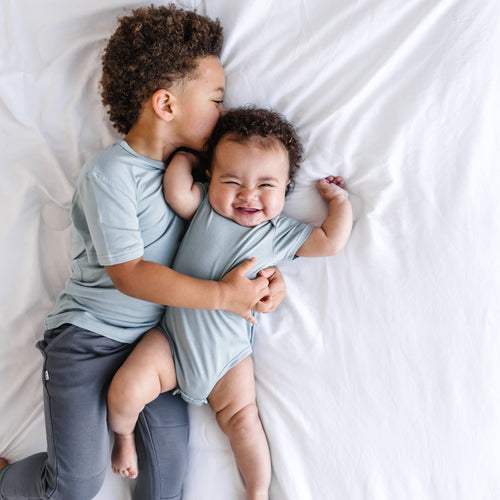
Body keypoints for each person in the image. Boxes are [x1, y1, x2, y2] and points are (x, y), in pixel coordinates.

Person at [0, 6, 286, 500]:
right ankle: (7, 479)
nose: (224, 113)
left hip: (158, 347)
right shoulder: (111, 174)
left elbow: (238, 236)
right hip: (87, 341)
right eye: (216, 100)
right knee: (75, 487)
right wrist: (221, 296)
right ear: (166, 104)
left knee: (166, 486)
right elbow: (129, 273)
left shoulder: (206, 180)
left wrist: (263, 285)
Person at [107, 107, 354, 499]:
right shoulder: (205, 206)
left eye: (266, 185)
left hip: (229, 359)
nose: (248, 195)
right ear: (210, 176)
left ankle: (257, 490)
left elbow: (330, 241)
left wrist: (338, 201)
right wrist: (187, 158)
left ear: (287, 185)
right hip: (171, 342)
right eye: (232, 180)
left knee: (243, 422)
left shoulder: (279, 232)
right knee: (125, 389)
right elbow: (176, 190)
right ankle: (123, 435)